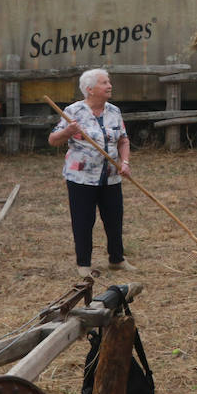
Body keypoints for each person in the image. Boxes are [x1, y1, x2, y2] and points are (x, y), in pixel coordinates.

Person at [47, 68, 135, 277]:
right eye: (104, 83)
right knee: (83, 220)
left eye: (109, 82)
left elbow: (123, 140)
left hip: (111, 176)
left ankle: (117, 259)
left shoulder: (114, 111)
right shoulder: (74, 111)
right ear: (90, 89)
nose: (109, 85)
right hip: (81, 178)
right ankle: (83, 264)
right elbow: (53, 140)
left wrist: (125, 162)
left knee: (114, 219)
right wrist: (67, 132)